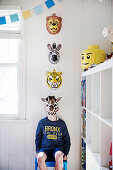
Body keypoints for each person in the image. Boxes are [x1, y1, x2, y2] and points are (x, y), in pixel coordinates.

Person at [35, 96, 71, 170]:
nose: (51, 109)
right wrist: (38, 151)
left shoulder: (62, 123)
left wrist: (66, 153)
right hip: (45, 149)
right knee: (40, 158)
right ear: (45, 108)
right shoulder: (42, 122)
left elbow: (67, 139)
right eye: (48, 106)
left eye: (53, 106)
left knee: (59, 156)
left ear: (57, 108)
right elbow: (38, 138)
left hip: (58, 149)